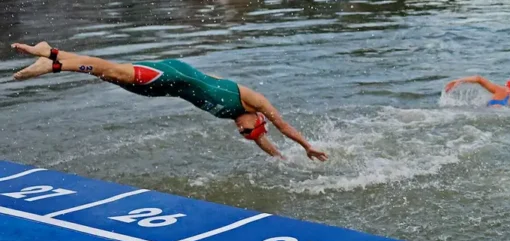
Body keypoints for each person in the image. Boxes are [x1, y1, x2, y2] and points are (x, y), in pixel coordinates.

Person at [10, 42, 328, 161]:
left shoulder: (237, 118)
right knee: (113, 70)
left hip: (164, 88)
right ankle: (52, 65)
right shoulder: (253, 100)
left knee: (106, 74)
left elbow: (265, 144)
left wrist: (282, 160)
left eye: (245, 136)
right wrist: (306, 146)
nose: (241, 132)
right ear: (256, 120)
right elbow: (282, 125)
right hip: (176, 74)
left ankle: (51, 53)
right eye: (248, 132)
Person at [445, 75, 510, 107]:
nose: (505, 88)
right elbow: (479, 79)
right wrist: (458, 80)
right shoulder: (501, 91)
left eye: (507, 87)